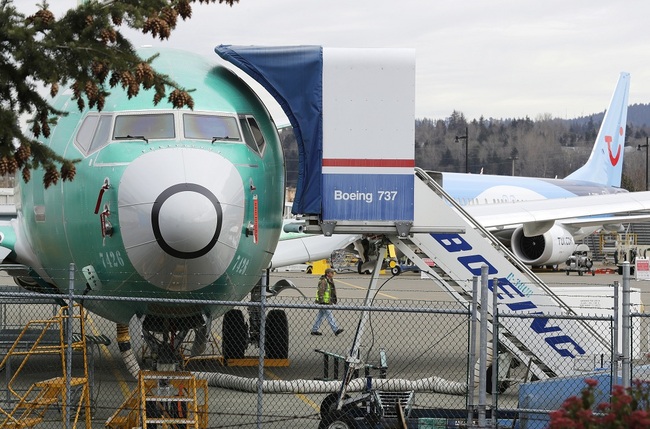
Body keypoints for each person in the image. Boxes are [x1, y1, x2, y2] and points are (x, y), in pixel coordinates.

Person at [311, 268, 344, 336]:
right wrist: (321, 300)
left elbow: (331, 292)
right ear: (328, 273)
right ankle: (335, 330)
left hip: (327, 301)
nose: (333, 274)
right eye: (332, 273)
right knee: (329, 315)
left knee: (320, 316)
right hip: (324, 302)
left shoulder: (329, 280)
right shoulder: (324, 281)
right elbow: (321, 291)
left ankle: (314, 330)